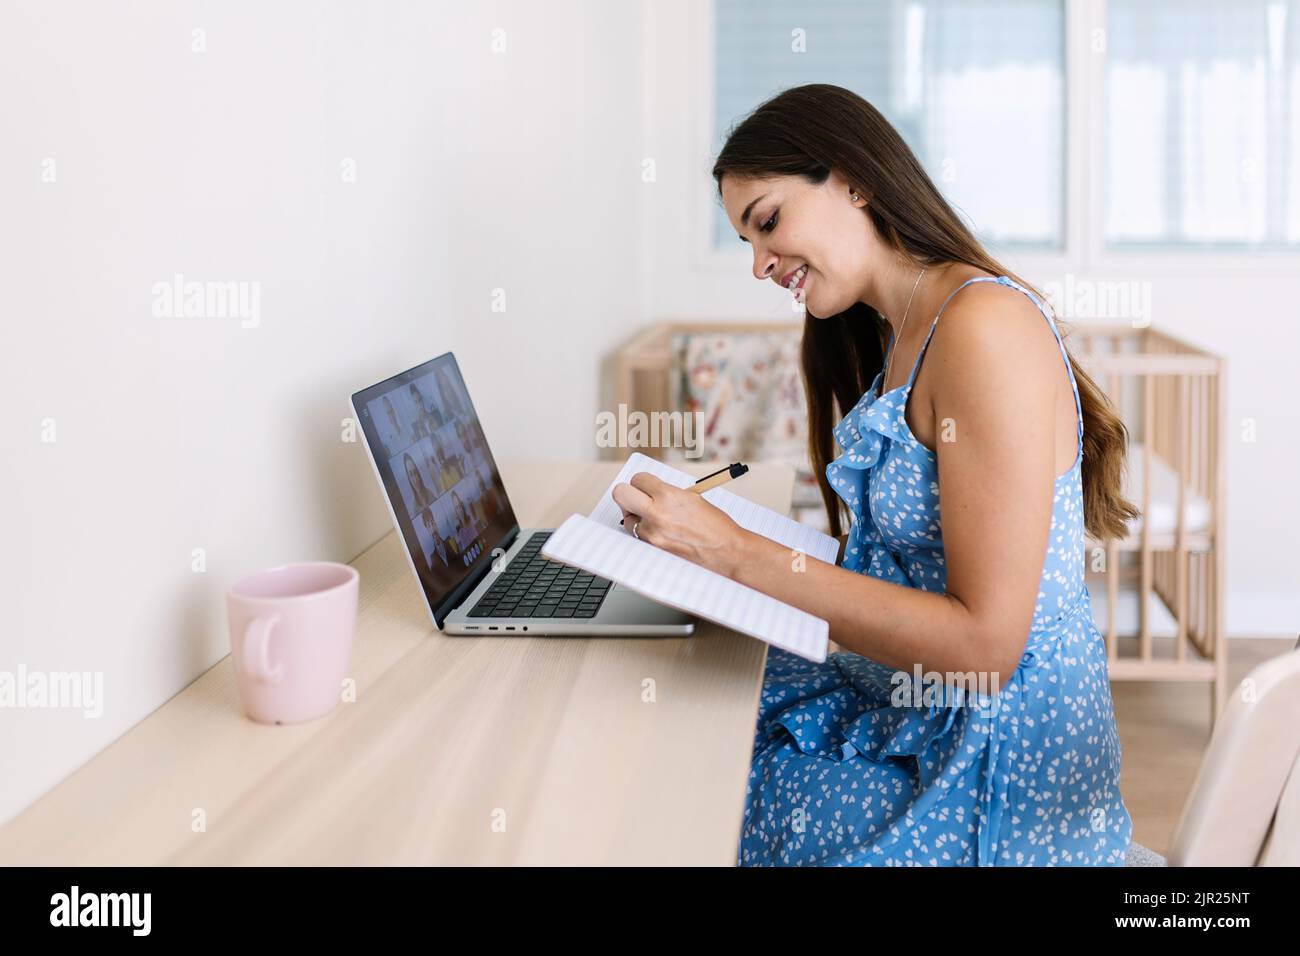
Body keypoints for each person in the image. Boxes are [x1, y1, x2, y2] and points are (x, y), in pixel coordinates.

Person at [611, 84, 1136, 867]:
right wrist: (720, 562)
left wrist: (736, 554)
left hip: (1001, 773)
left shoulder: (984, 328)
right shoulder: (899, 330)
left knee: (699, 780)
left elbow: (987, 647)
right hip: (929, 710)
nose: (759, 265)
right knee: (695, 707)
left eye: (767, 223)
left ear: (854, 179)